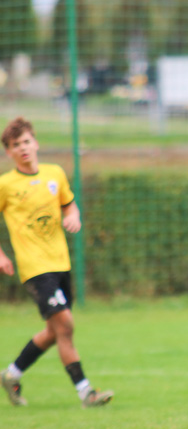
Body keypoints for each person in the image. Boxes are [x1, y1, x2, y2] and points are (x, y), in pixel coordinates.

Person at [0, 117, 113, 408]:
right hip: (34, 268)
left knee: (55, 331)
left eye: (26, 142)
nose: (22, 148)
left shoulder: (55, 174)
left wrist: (72, 216)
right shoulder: (6, 185)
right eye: (15, 145)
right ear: (8, 153)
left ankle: (11, 374)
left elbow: (68, 203)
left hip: (60, 263)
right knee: (65, 325)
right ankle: (86, 392)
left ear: (35, 143)